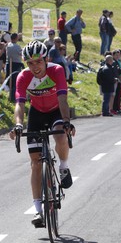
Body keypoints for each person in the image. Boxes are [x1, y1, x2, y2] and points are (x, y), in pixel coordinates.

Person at [8, 41, 76, 228]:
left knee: (60, 136)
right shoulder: (23, 76)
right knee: (36, 163)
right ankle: (38, 210)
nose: (35, 67)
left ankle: (63, 166)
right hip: (37, 114)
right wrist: (19, 124)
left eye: (38, 62)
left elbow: (62, 98)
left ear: (46, 59)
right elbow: (20, 104)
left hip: (55, 111)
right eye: (30, 63)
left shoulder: (56, 71)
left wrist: (67, 121)